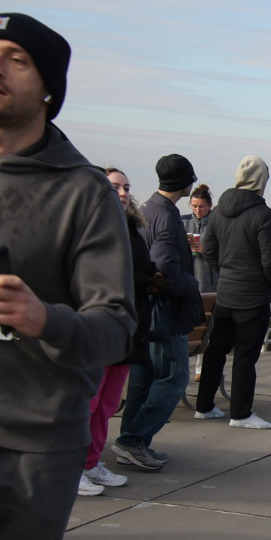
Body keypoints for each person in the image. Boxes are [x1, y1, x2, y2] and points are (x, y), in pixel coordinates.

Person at [0, 13, 137, 540]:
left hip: (34, 444)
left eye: (17, 58)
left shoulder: (84, 191)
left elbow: (115, 327)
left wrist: (42, 318)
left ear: (49, 87)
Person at [112, 153, 203, 471]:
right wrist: (189, 283)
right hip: (166, 312)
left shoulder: (148, 210)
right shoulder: (165, 216)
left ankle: (130, 441)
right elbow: (163, 264)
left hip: (146, 311)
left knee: (144, 378)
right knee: (175, 377)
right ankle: (133, 440)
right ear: (185, 182)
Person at [79, 168, 159, 497]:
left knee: (108, 403)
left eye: (126, 187)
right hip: (98, 326)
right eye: (115, 187)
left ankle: (90, 462)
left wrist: (154, 278)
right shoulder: (89, 225)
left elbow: (139, 269)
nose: (123, 193)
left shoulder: (132, 228)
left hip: (128, 327)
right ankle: (71, 467)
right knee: (89, 402)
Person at [194, 156, 271, 428]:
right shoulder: (264, 215)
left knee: (215, 351)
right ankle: (241, 414)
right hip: (252, 298)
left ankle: (204, 406)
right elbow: (270, 260)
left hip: (225, 294)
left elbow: (208, 249)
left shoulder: (219, 211)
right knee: (245, 356)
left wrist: (226, 271)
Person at [182, 183, 219, 294]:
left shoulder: (217, 223)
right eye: (194, 206)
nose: (198, 210)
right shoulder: (183, 222)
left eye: (202, 207)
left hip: (212, 285)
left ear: (210, 205)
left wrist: (207, 251)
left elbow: (228, 253)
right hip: (188, 283)